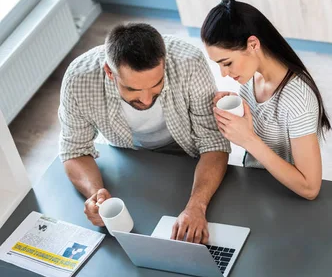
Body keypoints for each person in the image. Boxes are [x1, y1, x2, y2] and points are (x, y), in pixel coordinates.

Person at [58, 23, 230, 244]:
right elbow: (73, 150)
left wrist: (196, 205)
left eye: (156, 85)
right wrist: (96, 193)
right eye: (133, 89)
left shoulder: (190, 62)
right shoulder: (78, 79)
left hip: (187, 153)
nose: (147, 100)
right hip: (125, 156)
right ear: (110, 72)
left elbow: (213, 142)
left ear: (164, 63)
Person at [202, 0, 331, 200]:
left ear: (253, 44)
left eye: (226, 63)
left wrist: (249, 140)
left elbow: (310, 188)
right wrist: (237, 108)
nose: (224, 74)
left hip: (285, 196)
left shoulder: (298, 100)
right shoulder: (251, 78)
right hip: (256, 185)